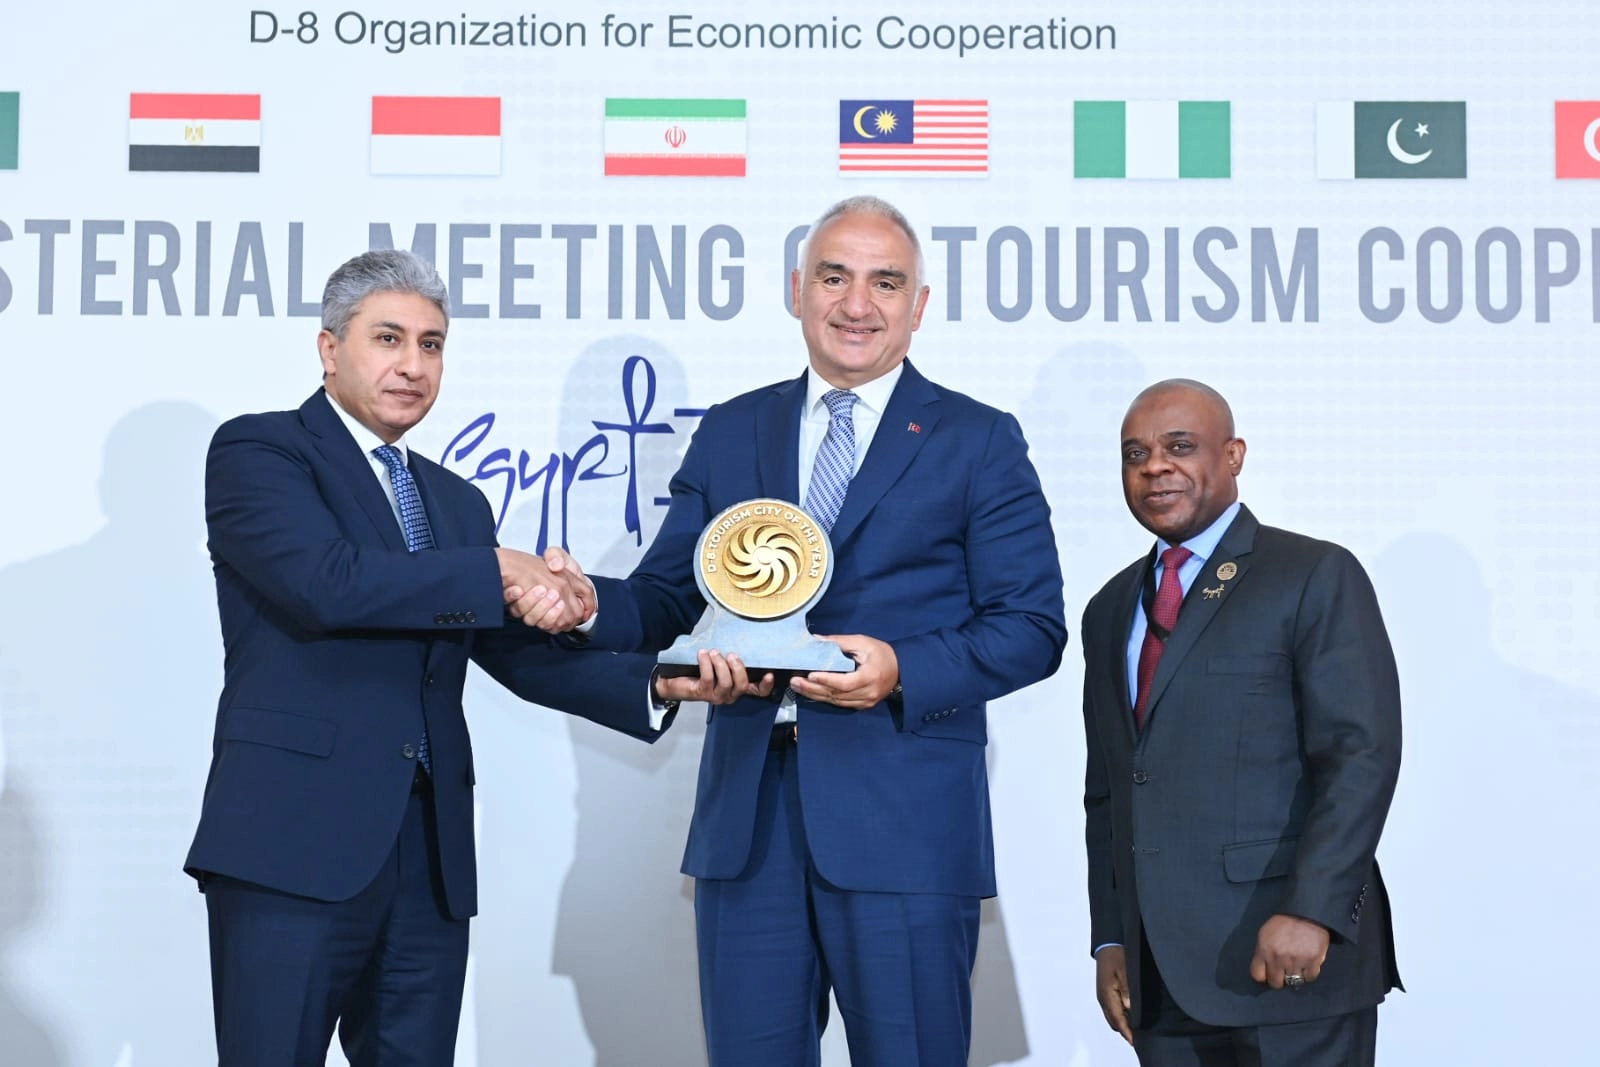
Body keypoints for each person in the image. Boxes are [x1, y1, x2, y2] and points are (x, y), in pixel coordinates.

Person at [184, 249, 739, 1066]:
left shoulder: (456, 500)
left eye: (432, 344)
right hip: (289, 848)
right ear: (330, 348)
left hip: (428, 863)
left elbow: (515, 653)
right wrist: (497, 569)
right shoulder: (260, 451)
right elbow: (327, 583)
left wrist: (660, 680)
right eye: (389, 338)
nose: (413, 364)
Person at [564, 196, 1068, 1065]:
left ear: (920, 305)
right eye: (834, 277)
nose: (857, 304)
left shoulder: (979, 439)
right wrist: (582, 603)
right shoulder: (733, 429)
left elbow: (1031, 626)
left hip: (905, 825)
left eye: (886, 282)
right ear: (797, 289)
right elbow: (664, 597)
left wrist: (900, 667)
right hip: (748, 825)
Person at [1080, 379, 1402, 1066]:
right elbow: (1108, 790)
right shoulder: (1108, 609)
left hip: (1289, 960)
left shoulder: (1312, 573)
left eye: (1179, 447)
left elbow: (1360, 756)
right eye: (1136, 454)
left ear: (1233, 455)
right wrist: (1112, 937)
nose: (1155, 466)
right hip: (1159, 979)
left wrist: (1313, 909)